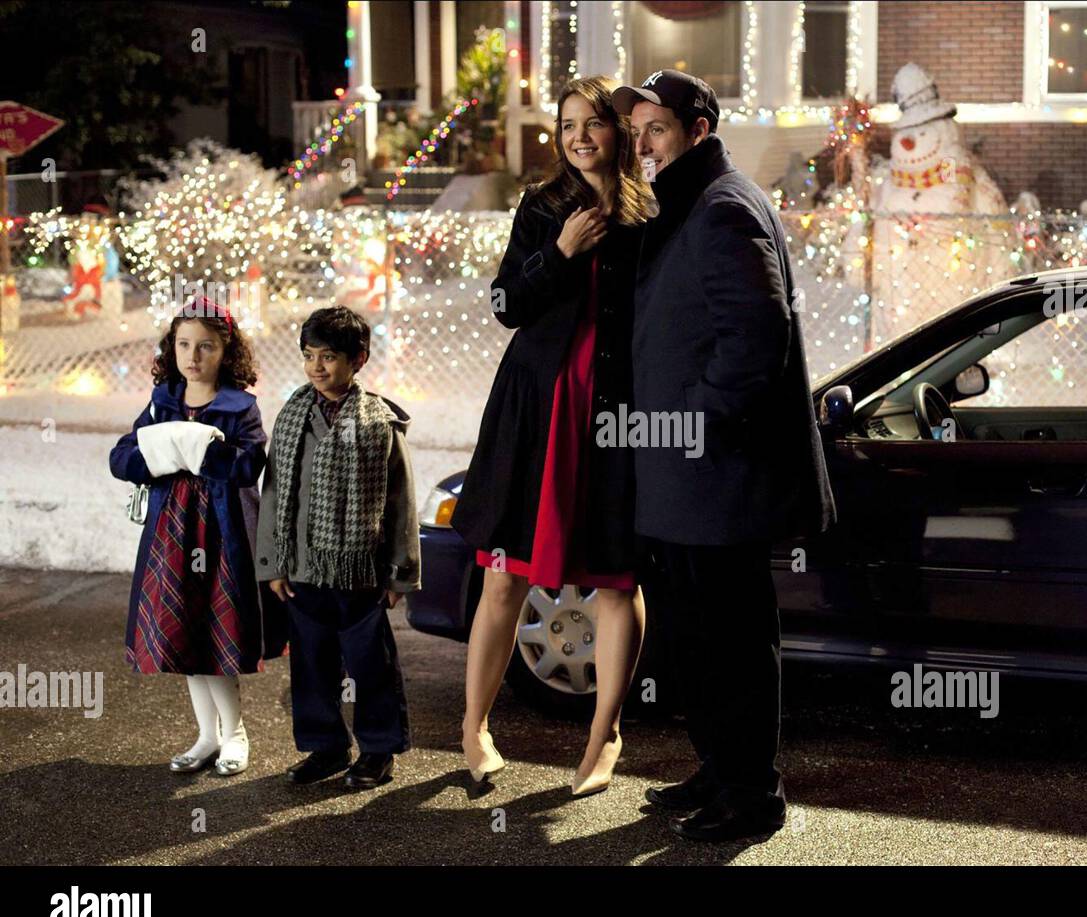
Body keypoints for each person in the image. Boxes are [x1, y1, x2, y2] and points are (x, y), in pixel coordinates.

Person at [615, 69, 836, 841]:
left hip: (718, 484)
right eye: (635, 129)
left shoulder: (723, 208)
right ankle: (720, 767)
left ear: (698, 129)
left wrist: (688, 428)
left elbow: (755, 344)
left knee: (733, 646)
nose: (641, 143)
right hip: (686, 487)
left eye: (656, 128)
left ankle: (752, 797)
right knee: (697, 643)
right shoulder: (687, 203)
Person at [450, 76, 654, 797]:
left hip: (611, 417)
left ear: (617, 132)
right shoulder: (543, 209)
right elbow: (507, 304)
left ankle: (605, 737)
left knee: (612, 576)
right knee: (503, 573)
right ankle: (474, 729)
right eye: (567, 125)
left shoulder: (649, 211)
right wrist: (559, 250)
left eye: (593, 123)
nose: (579, 137)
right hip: (535, 411)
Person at [110, 295, 283, 777]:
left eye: (206, 346)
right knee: (184, 630)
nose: (193, 356)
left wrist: (191, 450)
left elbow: (249, 466)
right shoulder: (162, 400)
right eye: (184, 345)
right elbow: (123, 457)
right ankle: (207, 735)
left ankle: (235, 733)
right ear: (172, 348)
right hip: (171, 534)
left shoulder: (240, 406)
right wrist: (163, 451)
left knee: (216, 630)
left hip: (220, 536)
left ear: (225, 352)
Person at [255, 306, 421, 789]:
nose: (317, 367)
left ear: (359, 358)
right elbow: (274, 491)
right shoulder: (292, 418)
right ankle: (324, 747)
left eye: (328, 356)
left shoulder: (378, 423)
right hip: (304, 569)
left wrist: (399, 573)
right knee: (311, 665)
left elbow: (400, 502)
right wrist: (273, 561)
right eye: (309, 356)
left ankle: (377, 750)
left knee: (372, 666)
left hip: (361, 573)